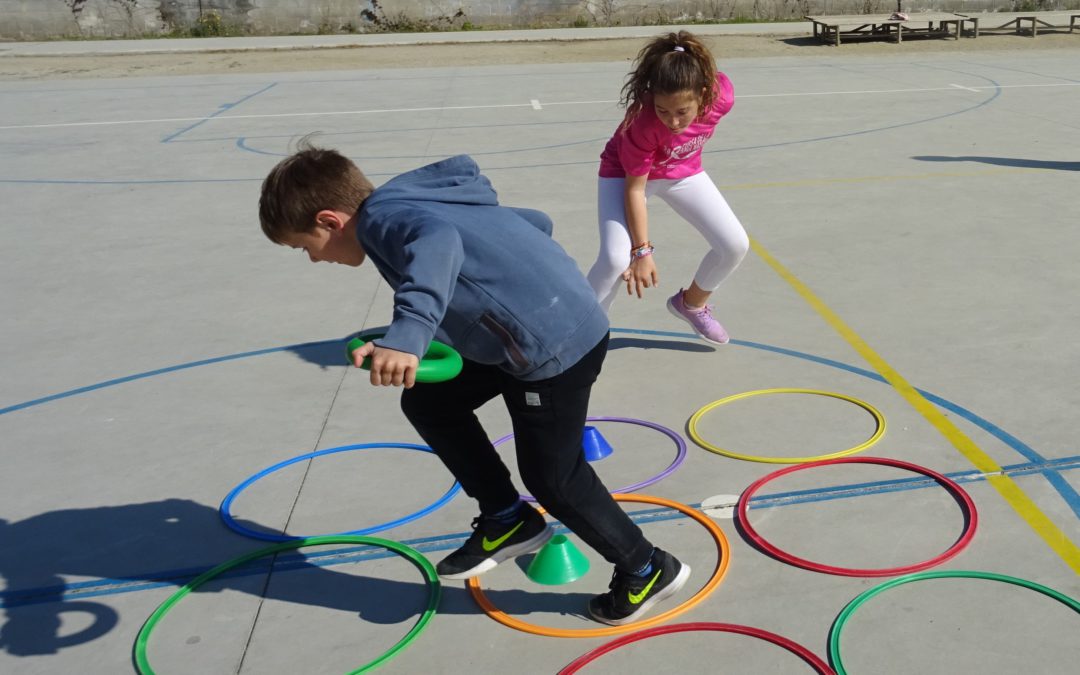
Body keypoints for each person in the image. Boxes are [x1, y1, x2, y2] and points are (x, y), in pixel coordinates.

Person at [258, 144, 689, 626]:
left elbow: (438, 241)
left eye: (304, 246)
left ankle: (648, 567)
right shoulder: (412, 201)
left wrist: (409, 334)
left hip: (552, 348)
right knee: (429, 402)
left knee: (554, 477)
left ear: (330, 220)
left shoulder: (384, 222)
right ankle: (507, 519)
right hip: (532, 333)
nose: (313, 260)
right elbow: (533, 221)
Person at [586, 31, 750, 345]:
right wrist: (641, 251)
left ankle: (691, 304)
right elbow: (635, 191)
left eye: (682, 112)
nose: (673, 122)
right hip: (623, 175)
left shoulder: (722, 96)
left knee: (734, 245)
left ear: (703, 95)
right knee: (614, 259)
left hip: (683, 172)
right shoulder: (643, 124)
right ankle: (580, 338)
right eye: (663, 111)